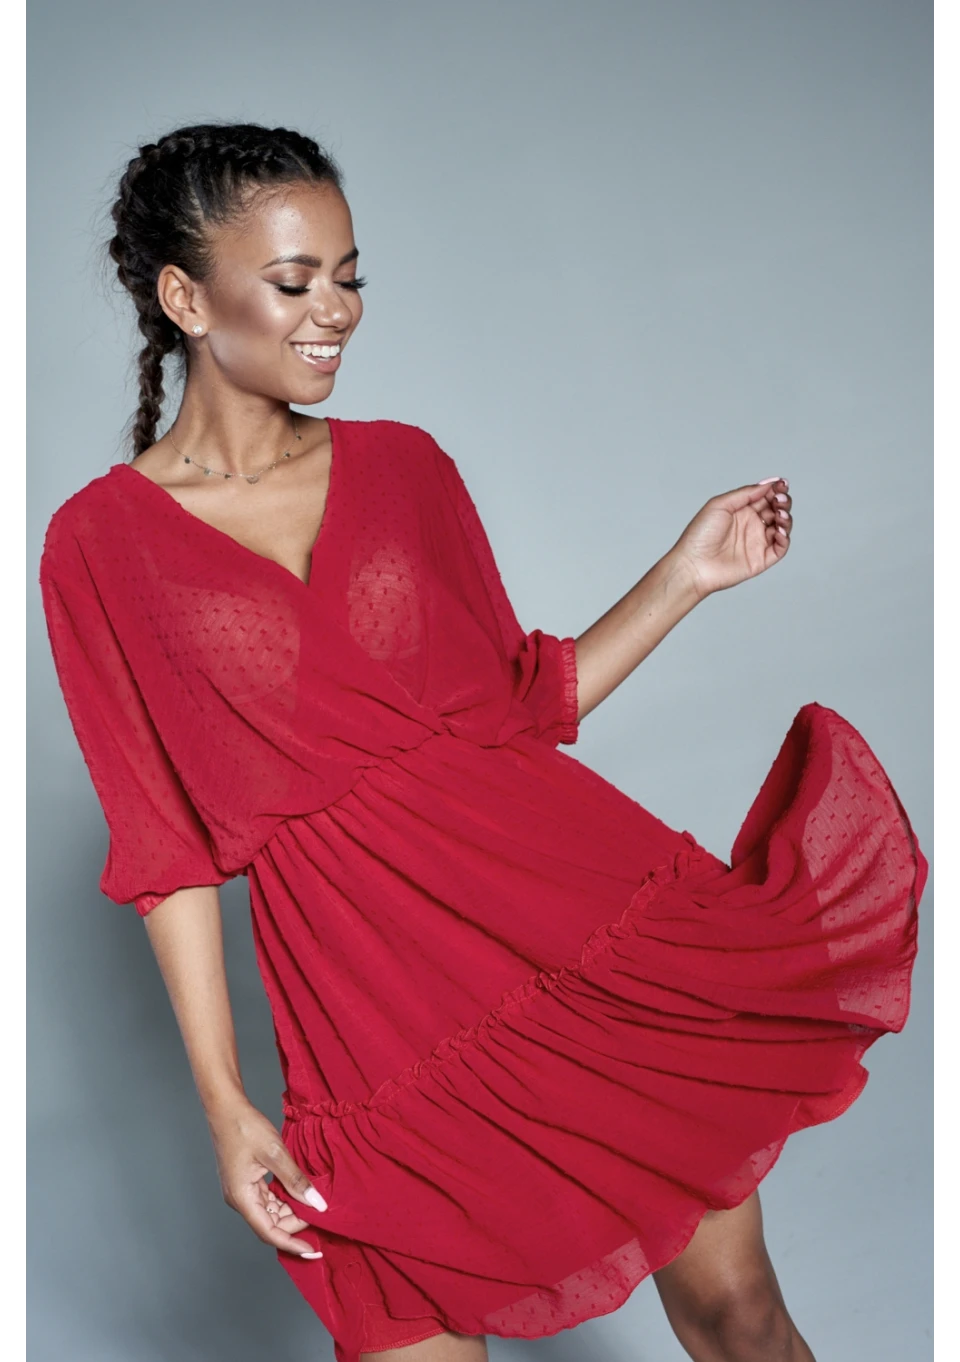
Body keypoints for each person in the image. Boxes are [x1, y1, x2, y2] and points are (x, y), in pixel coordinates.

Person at [38, 121, 927, 1362]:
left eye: (350, 277)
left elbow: (519, 712)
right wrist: (225, 1102)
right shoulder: (99, 546)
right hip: (369, 1012)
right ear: (186, 299)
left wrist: (685, 574)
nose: (336, 311)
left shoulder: (406, 470)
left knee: (738, 1316)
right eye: (295, 282)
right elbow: (167, 849)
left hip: (573, 935)